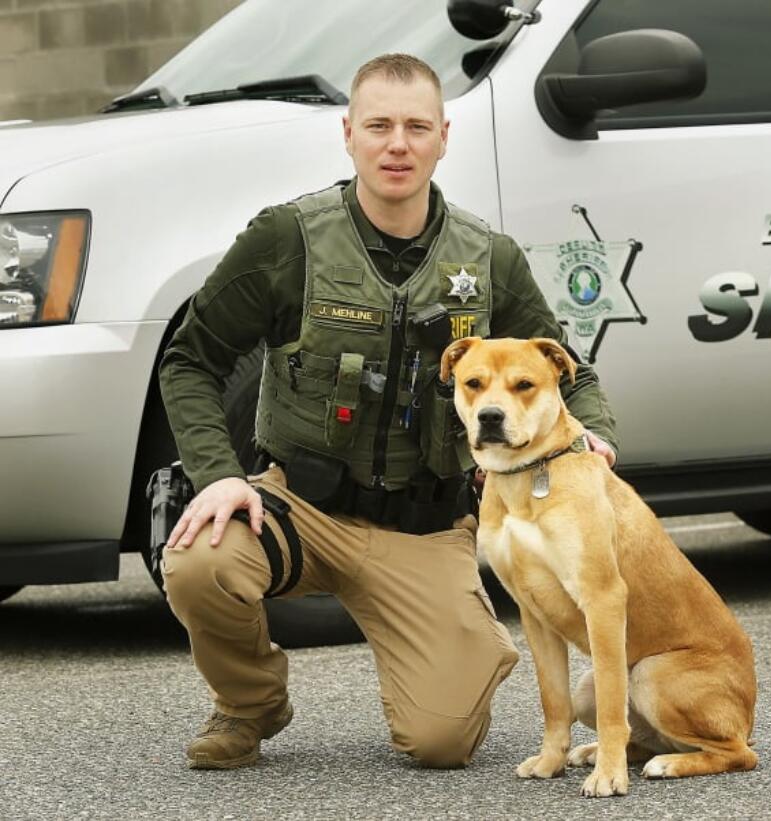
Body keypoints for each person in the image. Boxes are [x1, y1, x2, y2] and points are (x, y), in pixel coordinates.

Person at [158, 53, 618, 771]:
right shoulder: (287, 239)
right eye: (378, 126)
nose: (396, 144)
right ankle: (250, 703)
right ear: (348, 134)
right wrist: (218, 474)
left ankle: (464, 636)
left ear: (443, 136)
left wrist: (591, 439)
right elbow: (190, 358)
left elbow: (567, 369)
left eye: (414, 127)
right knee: (198, 559)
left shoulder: (488, 257)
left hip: (424, 524)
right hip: (301, 507)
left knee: (441, 742)